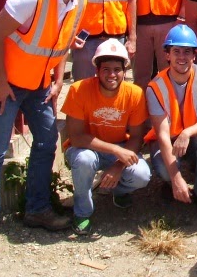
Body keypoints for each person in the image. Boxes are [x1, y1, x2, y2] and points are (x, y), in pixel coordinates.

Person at [0, 0, 93, 260]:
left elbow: (60, 46)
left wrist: (56, 82)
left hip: (37, 85)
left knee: (46, 140)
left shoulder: (80, 2)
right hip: (3, 83)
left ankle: (37, 208)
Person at [62, 39, 151, 236]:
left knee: (142, 175)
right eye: (106, 69)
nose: (112, 75)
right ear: (97, 70)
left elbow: (137, 137)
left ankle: (119, 191)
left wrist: (118, 165)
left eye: (117, 69)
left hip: (118, 147)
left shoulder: (135, 94)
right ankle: (82, 212)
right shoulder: (79, 90)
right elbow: (75, 137)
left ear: (125, 71)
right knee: (85, 160)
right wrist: (115, 151)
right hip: (85, 148)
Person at [144, 24, 197, 218]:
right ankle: (173, 184)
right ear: (167, 55)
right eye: (176, 51)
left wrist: (186, 133)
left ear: (194, 55)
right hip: (168, 141)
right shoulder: (154, 87)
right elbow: (161, 135)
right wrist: (176, 178)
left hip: (192, 137)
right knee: (163, 168)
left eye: (187, 51)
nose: (182, 57)